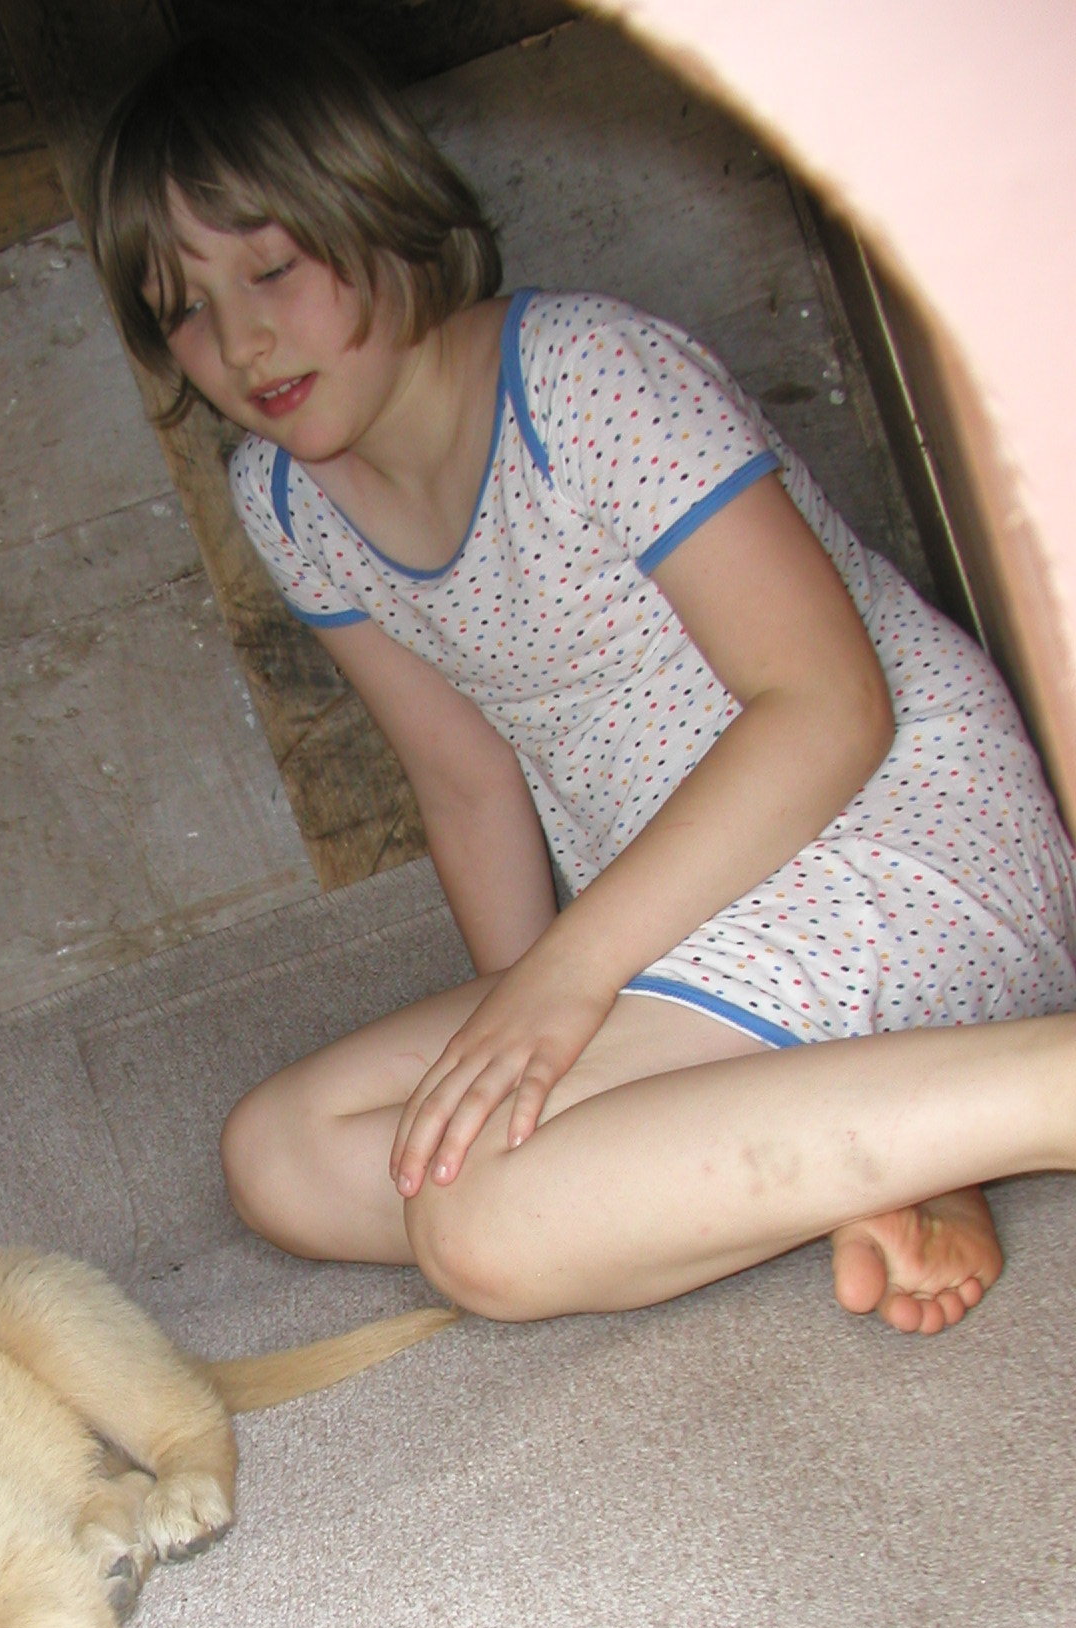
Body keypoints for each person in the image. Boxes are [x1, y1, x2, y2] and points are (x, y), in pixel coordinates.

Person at [86, 29, 1076, 1333]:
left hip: (888, 844)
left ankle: (1043, 1091)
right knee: (284, 1156)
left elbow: (829, 708)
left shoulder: (584, 377)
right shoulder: (287, 498)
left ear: (380, 210)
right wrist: (533, 1035)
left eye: (272, 267)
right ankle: (889, 1150)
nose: (242, 337)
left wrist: (571, 983)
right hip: (681, 914)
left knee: (483, 1230)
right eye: (184, 307)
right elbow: (465, 783)